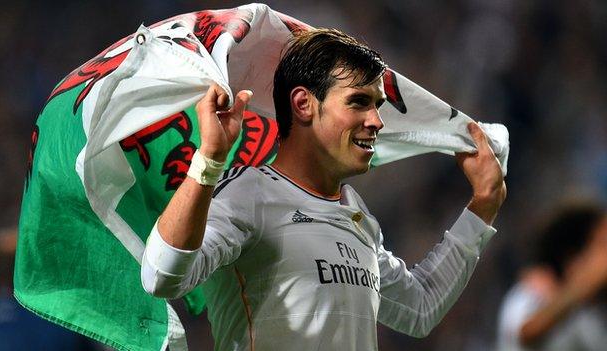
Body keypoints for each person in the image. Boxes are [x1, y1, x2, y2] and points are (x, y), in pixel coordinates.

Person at [141, 28, 506, 350]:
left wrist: (484, 204)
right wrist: (209, 161)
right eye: (359, 102)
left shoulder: (356, 215)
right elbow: (161, 276)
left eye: (377, 105)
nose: (377, 121)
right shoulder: (248, 194)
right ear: (303, 104)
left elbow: (420, 308)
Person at [496, 203, 607, 351]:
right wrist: (583, 285)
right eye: (602, 246)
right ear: (573, 257)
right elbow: (525, 333)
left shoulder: (590, 311)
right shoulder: (533, 291)